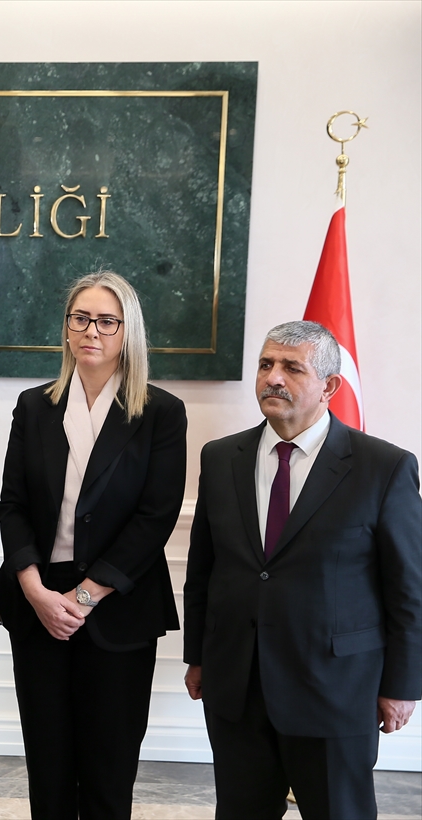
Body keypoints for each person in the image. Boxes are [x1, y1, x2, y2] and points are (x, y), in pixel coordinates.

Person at [183, 320, 421, 819]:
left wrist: (402, 685)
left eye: (292, 368)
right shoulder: (221, 458)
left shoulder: (384, 467)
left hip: (335, 690)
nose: (273, 377)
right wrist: (198, 658)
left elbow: (408, 589)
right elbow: (204, 569)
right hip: (237, 685)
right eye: (266, 364)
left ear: (329, 386)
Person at [0, 271, 186, 819]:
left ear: (128, 331)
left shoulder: (161, 411)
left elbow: (156, 516)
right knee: (48, 766)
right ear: (67, 327)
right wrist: (35, 589)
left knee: (108, 769)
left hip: (116, 602)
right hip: (40, 603)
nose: (91, 331)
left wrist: (85, 596)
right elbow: (13, 505)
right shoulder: (35, 405)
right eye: (80, 319)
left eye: (106, 321)